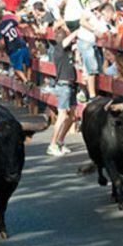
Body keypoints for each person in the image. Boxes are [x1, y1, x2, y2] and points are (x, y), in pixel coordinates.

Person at [47, 28, 78, 156]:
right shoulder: (59, 49)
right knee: (62, 115)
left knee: (72, 116)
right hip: (63, 86)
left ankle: (60, 141)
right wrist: (77, 31)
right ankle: (52, 145)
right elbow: (70, 40)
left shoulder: (65, 52)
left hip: (70, 85)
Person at [0, 10, 31, 85]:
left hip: (12, 49)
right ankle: (29, 78)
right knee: (28, 64)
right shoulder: (10, 21)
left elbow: (2, 43)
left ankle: (26, 80)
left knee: (16, 68)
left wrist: (2, 48)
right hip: (21, 44)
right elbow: (20, 26)